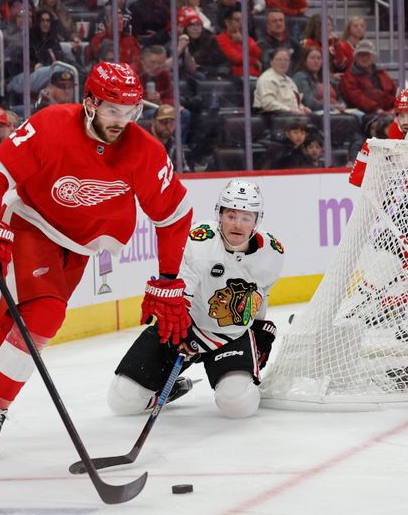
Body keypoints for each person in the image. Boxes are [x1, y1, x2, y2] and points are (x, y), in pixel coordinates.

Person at [0, 62, 193, 458]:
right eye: (113, 110)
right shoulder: (51, 125)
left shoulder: (144, 151)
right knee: (46, 316)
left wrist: (169, 278)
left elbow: (174, 215)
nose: (121, 121)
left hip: (79, 247)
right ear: (90, 103)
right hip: (32, 225)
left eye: (130, 112)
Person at [107, 180, 283, 419]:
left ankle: (244, 380)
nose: (237, 224)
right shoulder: (200, 241)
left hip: (228, 338)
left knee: (239, 405)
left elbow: (261, 294)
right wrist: (181, 326)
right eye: (230, 215)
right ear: (219, 215)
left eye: (246, 217)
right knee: (122, 401)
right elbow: (183, 287)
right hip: (182, 328)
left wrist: (259, 330)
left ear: (257, 220)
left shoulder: (272, 252)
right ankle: (167, 390)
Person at [338, 40, 396, 114]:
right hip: (366, 113)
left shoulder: (381, 73)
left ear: (373, 57)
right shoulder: (349, 77)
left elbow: (394, 91)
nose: (365, 58)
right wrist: (376, 109)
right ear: (355, 57)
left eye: (368, 54)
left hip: (389, 110)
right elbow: (357, 98)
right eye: (361, 55)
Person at [253, 47, 308, 114]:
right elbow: (268, 104)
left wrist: (303, 108)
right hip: (273, 117)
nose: (283, 63)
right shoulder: (267, 79)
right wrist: (290, 110)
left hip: (292, 116)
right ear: (271, 62)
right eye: (279, 60)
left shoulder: (290, 81)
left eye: (286, 60)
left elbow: (295, 102)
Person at [292, 46, 345, 113]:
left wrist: (342, 105)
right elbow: (308, 102)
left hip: (336, 111)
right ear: (305, 61)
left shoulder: (327, 79)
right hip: (317, 113)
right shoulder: (300, 77)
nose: (316, 61)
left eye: (319, 58)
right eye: (312, 58)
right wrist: (332, 107)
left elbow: (340, 97)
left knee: (359, 116)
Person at [216, 10, 262, 78]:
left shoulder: (246, 39)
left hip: (255, 75)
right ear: (228, 22)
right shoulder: (220, 39)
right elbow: (235, 58)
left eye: (243, 20)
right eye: (237, 20)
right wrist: (254, 61)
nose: (241, 23)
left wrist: (243, 41)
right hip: (238, 77)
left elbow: (258, 54)